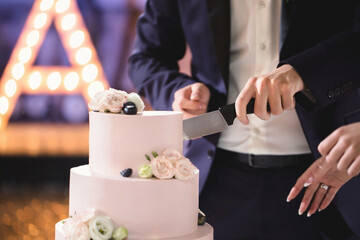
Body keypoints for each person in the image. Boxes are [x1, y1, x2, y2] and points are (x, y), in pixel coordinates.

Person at [128, 0, 360, 239]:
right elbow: (145, 58)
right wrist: (177, 91)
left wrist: (303, 72)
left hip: (330, 180)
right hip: (213, 183)